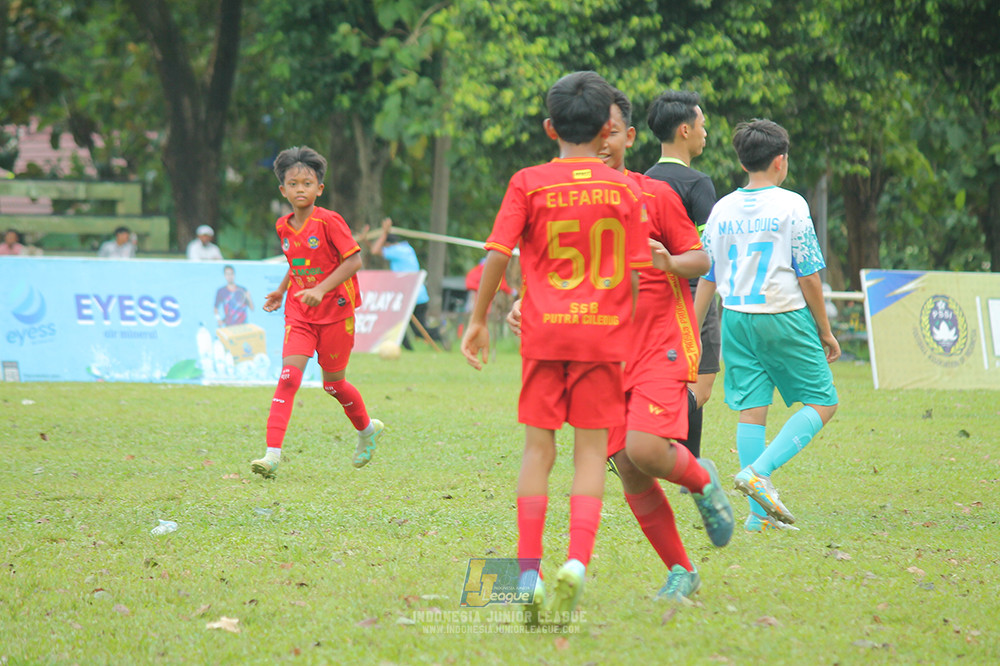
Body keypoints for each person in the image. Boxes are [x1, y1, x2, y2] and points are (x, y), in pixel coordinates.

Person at [507, 89, 734, 603]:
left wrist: (669, 263)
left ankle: (699, 479)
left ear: (629, 137)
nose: (602, 141)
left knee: (645, 449)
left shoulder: (652, 194)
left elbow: (701, 261)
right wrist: (526, 302)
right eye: (596, 131)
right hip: (599, 347)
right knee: (629, 466)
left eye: (611, 132)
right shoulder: (563, 191)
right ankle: (682, 569)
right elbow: (556, 263)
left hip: (658, 342)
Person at [461, 71, 649, 624]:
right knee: (592, 453)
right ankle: (576, 566)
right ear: (605, 129)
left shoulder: (528, 182)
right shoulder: (624, 189)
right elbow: (638, 274)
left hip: (544, 335)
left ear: (550, 128)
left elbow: (497, 252)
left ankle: (526, 575)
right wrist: (626, 327)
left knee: (537, 451)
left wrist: (477, 321)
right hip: (601, 338)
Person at [694, 119, 840, 531]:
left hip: (737, 317)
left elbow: (708, 273)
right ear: (780, 161)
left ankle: (758, 518)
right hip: (782, 315)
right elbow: (808, 274)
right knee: (824, 401)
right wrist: (824, 330)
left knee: (752, 411)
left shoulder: (721, 208)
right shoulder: (792, 204)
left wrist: (691, 322)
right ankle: (759, 473)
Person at [250, 145, 384, 478]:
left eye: (307, 184)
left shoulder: (330, 222)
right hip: (299, 312)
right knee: (289, 378)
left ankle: (367, 430)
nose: (300, 190)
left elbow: (354, 260)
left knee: (334, 385)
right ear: (283, 189)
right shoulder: (283, 226)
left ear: (319, 189)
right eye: (293, 184)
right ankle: (271, 456)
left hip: (336, 312)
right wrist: (283, 291)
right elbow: (295, 262)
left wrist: (321, 289)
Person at [645, 90, 720, 460]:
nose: (706, 133)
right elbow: (710, 256)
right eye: (703, 126)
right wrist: (699, 316)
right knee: (699, 390)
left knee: (672, 384)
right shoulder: (697, 184)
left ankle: (687, 468)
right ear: (685, 130)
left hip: (653, 303)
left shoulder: (643, 180)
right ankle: (647, 440)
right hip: (692, 298)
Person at [366, 217, 445, 350]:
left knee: (412, 328)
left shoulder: (396, 252)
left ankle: (438, 333)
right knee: (397, 322)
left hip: (411, 295)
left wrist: (384, 232)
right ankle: (409, 347)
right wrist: (365, 240)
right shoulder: (405, 248)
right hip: (419, 294)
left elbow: (375, 251)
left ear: (387, 243)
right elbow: (377, 249)